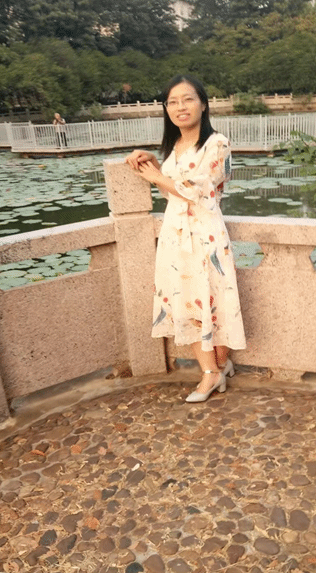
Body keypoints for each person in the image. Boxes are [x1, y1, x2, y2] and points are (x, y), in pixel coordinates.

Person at [126, 74, 246, 403]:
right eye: (173, 102)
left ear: (203, 104)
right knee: (188, 301)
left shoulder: (217, 143)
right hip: (175, 236)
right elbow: (174, 189)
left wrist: (155, 175)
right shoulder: (175, 147)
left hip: (206, 235)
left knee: (213, 299)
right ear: (166, 109)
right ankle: (214, 369)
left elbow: (199, 190)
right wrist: (153, 162)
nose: (180, 107)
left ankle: (214, 370)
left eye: (188, 99)